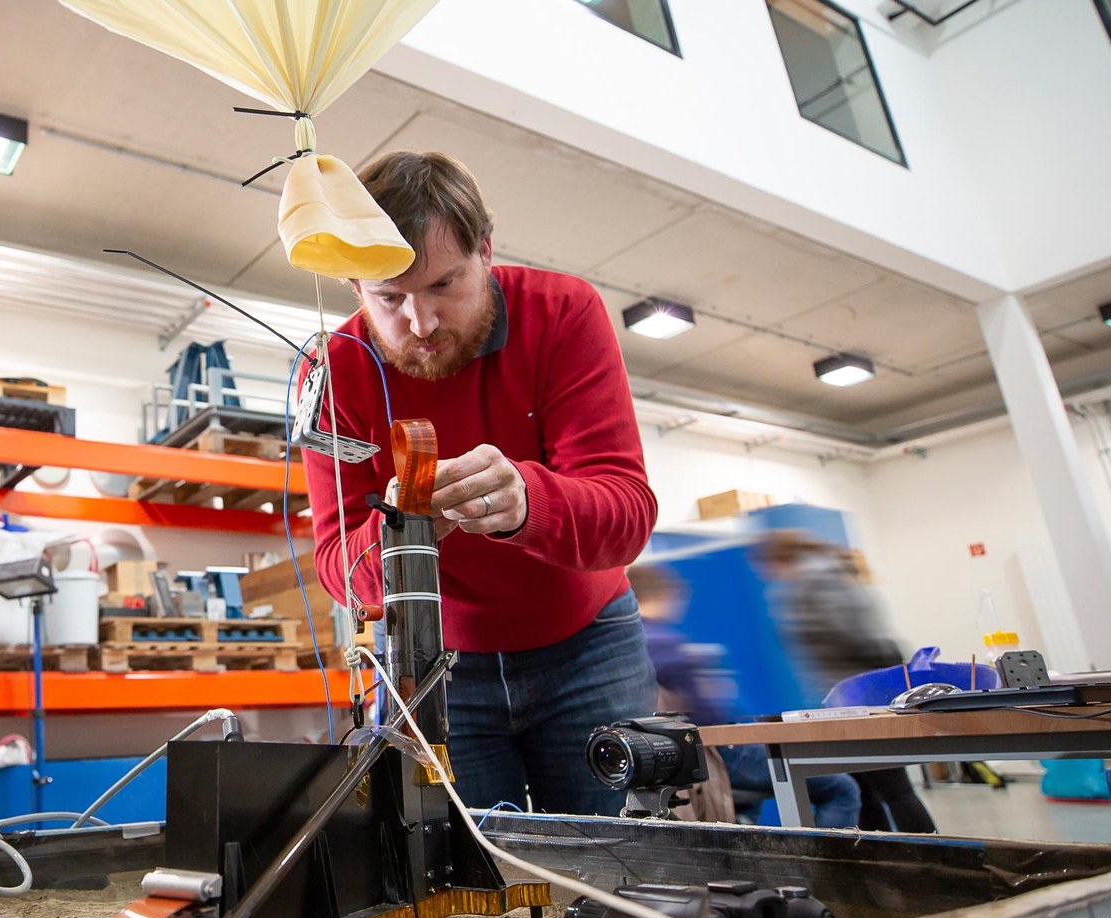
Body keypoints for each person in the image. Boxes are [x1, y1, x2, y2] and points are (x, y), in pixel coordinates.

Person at [306, 151, 658, 815]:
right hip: (437, 663)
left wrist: (530, 500)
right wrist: (404, 531)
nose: (421, 323)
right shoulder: (330, 375)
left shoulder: (563, 314)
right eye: (389, 297)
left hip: (589, 648)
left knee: (620, 871)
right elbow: (334, 568)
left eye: (443, 285)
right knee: (458, 883)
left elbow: (629, 515)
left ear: (487, 252)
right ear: (355, 287)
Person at [628, 563, 862, 829]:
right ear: (663, 595)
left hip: (669, 763)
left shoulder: (630, 647)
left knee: (751, 793)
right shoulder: (668, 644)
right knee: (841, 788)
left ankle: (743, 824)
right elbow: (710, 712)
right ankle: (825, 869)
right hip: (711, 755)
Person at [756, 531, 935, 833]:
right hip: (851, 693)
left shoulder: (817, 583)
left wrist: (801, 624)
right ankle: (877, 857)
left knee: (892, 787)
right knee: (864, 787)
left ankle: (937, 855)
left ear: (779, 559)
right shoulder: (831, 576)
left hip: (856, 694)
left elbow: (848, 637)